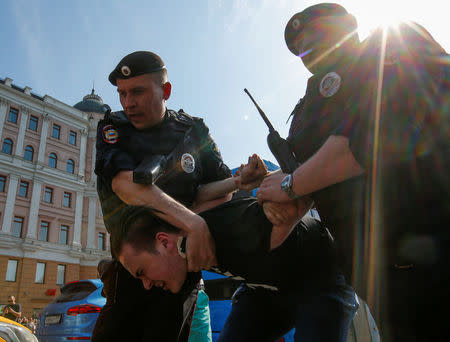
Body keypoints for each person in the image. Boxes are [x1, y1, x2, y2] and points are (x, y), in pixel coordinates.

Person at [256, 3, 449, 341]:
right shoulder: (307, 110)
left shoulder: (395, 43)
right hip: (382, 278)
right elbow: (306, 182)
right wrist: (264, 182)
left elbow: (365, 141)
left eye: (317, 33)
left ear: (350, 25)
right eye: (300, 46)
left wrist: (289, 185)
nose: (308, 49)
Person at [93, 51, 240, 342]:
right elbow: (125, 185)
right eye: (122, 93)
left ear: (166, 91)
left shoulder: (194, 131)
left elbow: (219, 188)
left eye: (137, 91)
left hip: (177, 275)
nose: (128, 102)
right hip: (131, 274)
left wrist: (237, 181)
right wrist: (191, 222)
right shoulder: (113, 128)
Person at [111, 196, 358, 342]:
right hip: (265, 291)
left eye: (142, 272)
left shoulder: (239, 226)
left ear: (164, 242)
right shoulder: (182, 260)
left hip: (320, 279)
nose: (146, 284)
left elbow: (304, 190)